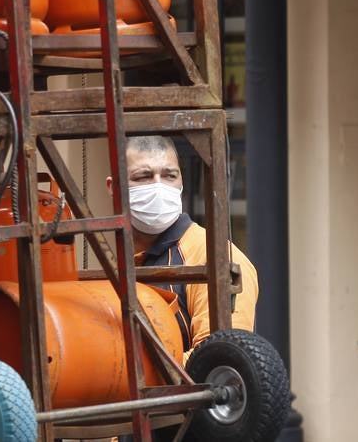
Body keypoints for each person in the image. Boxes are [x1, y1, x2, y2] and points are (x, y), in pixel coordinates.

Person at [107, 134, 258, 355]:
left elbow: (218, 359)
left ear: (181, 181)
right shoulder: (123, 261)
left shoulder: (214, 258)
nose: (158, 187)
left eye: (169, 176)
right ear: (113, 187)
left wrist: (136, 381)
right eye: (143, 177)